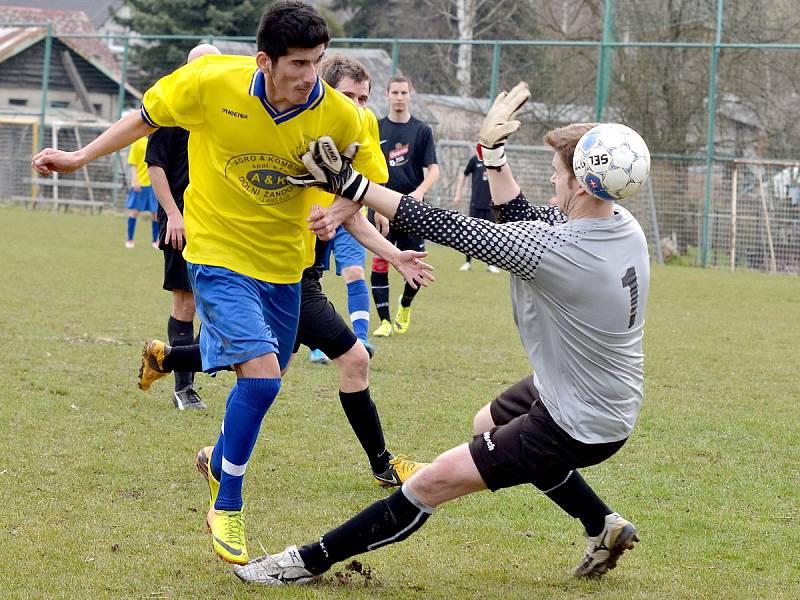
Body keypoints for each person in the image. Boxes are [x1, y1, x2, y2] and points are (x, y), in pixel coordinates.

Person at [234, 82, 650, 586]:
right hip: (599, 393)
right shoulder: (621, 222)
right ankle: (602, 525)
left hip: (579, 422)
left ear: (581, 185)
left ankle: (303, 563)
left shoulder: (558, 250)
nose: (553, 183)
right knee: (484, 423)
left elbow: (447, 225)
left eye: (558, 175)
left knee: (431, 482)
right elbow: (527, 218)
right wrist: (493, 157)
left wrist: (353, 185)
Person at [32, 0, 386, 566]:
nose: (309, 76)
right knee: (265, 380)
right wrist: (78, 157)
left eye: (317, 62)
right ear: (263, 61)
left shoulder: (342, 115)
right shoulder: (209, 81)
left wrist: (339, 210)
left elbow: (365, 175)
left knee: (265, 375)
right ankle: (228, 501)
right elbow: (144, 118)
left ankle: (211, 449)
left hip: (285, 268)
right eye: (297, 64)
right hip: (217, 253)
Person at [144, 43, 221, 411]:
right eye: (199, 66)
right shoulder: (171, 109)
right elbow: (155, 167)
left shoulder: (224, 113)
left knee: (217, 301)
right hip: (181, 220)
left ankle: (173, 361)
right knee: (186, 300)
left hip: (219, 222)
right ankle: (184, 388)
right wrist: (173, 215)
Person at [309, 53, 379, 362]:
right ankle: (314, 345)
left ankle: (361, 339)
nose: (356, 105)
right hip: (305, 225)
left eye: (362, 98)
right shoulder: (304, 126)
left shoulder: (365, 128)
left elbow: (371, 184)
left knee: (353, 272)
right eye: (347, 95)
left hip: (349, 218)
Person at [370, 75, 439, 337]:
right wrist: (375, 202)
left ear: (410, 95)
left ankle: (405, 305)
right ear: (387, 95)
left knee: (417, 266)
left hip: (412, 210)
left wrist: (420, 192)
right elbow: (367, 169)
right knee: (381, 262)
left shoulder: (421, 130)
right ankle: (385, 321)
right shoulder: (376, 128)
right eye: (395, 92)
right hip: (380, 207)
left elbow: (434, 169)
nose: (399, 97)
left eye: (403, 92)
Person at [453, 150, 500, 273]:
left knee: (491, 235)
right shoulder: (474, 160)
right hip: (476, 204)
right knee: (470, 233)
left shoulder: (495, 161)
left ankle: (491, 264)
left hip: (491, 205)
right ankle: (468, 262)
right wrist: (458, 194)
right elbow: (464, 175)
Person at [125, 134, 159, 249]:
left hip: (154, 184)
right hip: (140, 184)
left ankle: (155, 241)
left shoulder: (157, 140)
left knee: (155, 214)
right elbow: (133, 163)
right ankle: (130, 239)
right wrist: (135, 180)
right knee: (134, 212)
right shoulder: (137, 142)